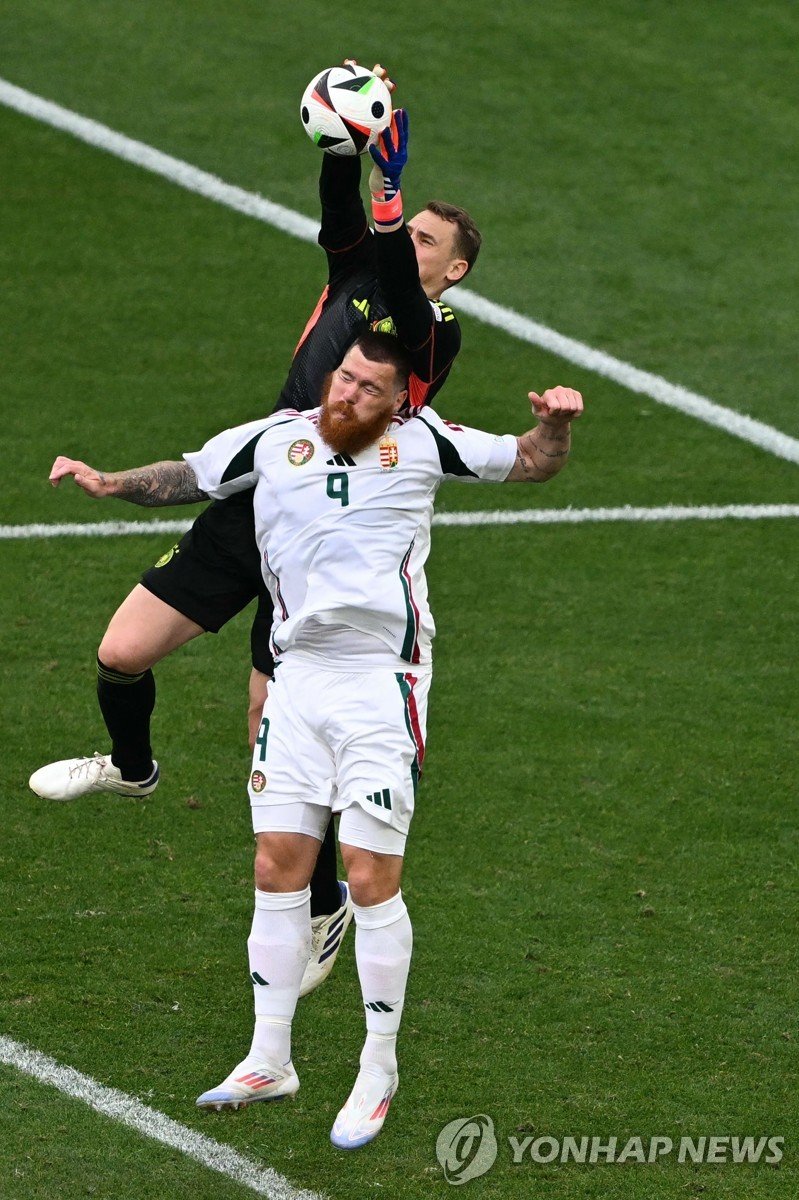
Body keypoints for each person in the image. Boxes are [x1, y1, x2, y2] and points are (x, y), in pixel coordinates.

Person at [47, 331, 584, 1147]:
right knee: (276, 864)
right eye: (343, 377)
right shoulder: (274, 439)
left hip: (380, 682)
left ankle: (378, 1067)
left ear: (398, 401)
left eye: (369, 388)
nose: (347, 395)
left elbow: (533, 461)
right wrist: (107, 482)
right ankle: (270, 1058)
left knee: (367, 876)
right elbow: (187, 477)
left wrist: (556, 423)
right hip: (296, 679)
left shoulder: (426, 442)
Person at [29, 65, 482, 995]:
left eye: (432, 239)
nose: (410, 240)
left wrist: (389, 190)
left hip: (331, 544)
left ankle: (321, 910)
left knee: (269, 743)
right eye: (411, 229)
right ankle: (133, 766)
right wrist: (338, 150)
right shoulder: (358, 265)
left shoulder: (430, 333)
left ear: (456, 268)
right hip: (261, 499)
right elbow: (341, 215)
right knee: (120, 653)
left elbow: (392, 269)